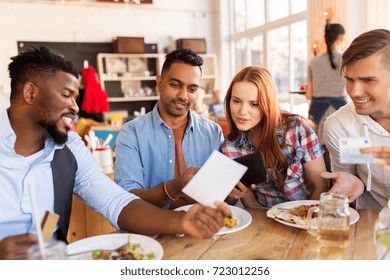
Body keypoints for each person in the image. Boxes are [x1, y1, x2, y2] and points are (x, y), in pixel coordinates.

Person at [0, 46, 231, 260]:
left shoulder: (69, 147)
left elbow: (116, 201)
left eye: (75, 97)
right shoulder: (132, 132)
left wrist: (182, 221)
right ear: (30, 93)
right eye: (66, 94)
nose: (76, 107)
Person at [114, 48, 224, 209]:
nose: (183, 95)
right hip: (154, 232)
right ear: (159, 83)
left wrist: (231, 193)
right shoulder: (132, 133)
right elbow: (128, 198)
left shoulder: (213, 132)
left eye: (192, 89)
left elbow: (220, 192)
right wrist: (172, 188)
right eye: (175, 85)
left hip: (206, 228)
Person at [221, 66, 328, 208]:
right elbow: (251, 204)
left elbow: (321, 186)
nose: (242, 111)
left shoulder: (297, 129)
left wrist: (304, 221)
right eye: (236, 101)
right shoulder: (230, 146)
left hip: (306, 218)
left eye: (254, 104)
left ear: (267, 104)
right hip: (265, 220)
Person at [323, 29, 390, 210]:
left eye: (368, 80)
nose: (354, 91)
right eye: (350, 79)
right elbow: (349, 178)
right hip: (372, 228)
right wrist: (355, 183)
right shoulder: (341, 127)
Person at [306, 23, 348, 171]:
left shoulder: (313, 62)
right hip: (341, 112)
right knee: (344, 154)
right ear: (341, 37)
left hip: (318, 113)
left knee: (318, 154)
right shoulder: (347, 59)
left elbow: (309, 95)